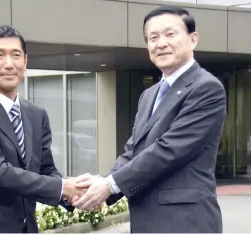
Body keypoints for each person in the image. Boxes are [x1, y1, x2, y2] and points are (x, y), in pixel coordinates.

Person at [72, 5, 227, 233]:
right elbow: (134, 150)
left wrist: (108, 185)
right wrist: (101, 184)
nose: (161, 43)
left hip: (185, 222)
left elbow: (168, 150)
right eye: (153, 37)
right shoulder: (149, 94)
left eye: (170, 34)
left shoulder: (206, 88)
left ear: (193, 39)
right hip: (147, 220)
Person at [0, 25, 85, 233]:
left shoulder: (36, 115)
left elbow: (45, 169)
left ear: (25, 61)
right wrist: (62, 188)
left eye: (16, 55)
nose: (9, 64)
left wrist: (73, 192)